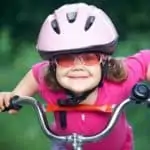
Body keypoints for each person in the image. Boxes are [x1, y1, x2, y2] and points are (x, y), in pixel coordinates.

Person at [0, 2, 150, 150]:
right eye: (66, 59)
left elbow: (145, 61)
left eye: (90, 58)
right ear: (53, 65)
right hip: (66, 145)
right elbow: (34, 75)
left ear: (104, 61)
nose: (78, 67)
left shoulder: (120, 79)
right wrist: (13, 98)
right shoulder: (47, 78)